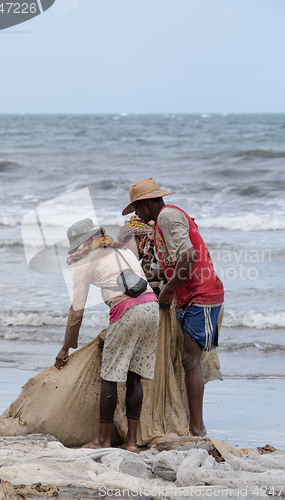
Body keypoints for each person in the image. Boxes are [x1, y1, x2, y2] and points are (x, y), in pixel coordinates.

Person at [122, 178, 224, 437]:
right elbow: (173, 263)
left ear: (146, 203)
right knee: (188, 362)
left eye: (137, 208)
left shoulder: (167, 216)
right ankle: (192, 424)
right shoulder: (161, 223)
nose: (136, 214)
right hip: (188, 295)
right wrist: (147, 274)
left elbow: (188, 258)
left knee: (190, 362)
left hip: (200, 295)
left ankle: (197, 430)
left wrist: (166, 292)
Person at [54, 218, 159, 451]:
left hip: (127, 311)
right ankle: (132, 442)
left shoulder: (84, 264)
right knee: (134, 376)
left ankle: (103, 440)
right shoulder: (124, 252)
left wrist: (66, 347)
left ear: (82, 245)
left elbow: (76, 312)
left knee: (110, 377)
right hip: (152, 309)